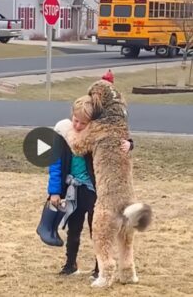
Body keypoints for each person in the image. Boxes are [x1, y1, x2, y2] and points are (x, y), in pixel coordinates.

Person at [47, 94, 133, 276]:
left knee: (98, 231)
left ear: (91, 124)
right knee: (73, 228)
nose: (78, 126)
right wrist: (54, 191)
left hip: (95, 191)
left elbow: (116, 142)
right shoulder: (63, 135)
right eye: (75, 121)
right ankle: (70, 264)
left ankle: (98, 268)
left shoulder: (97, 136)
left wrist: (129, 144)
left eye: (83, 124)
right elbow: (55, 165)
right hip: (73, 190)